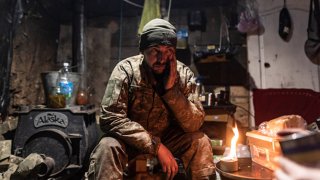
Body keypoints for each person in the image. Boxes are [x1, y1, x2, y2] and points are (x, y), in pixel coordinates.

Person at [86, 18, 215, 180]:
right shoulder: (126, 70)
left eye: (168, 50)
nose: (162, 58)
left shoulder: (183, 74)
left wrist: (171, 91)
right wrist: (156, 146)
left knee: (200, 141)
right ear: (143, 51)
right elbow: (110, 118)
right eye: (155, 50)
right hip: (130, 141)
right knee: (107, 146)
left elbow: (194, 124)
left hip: (169, 138)